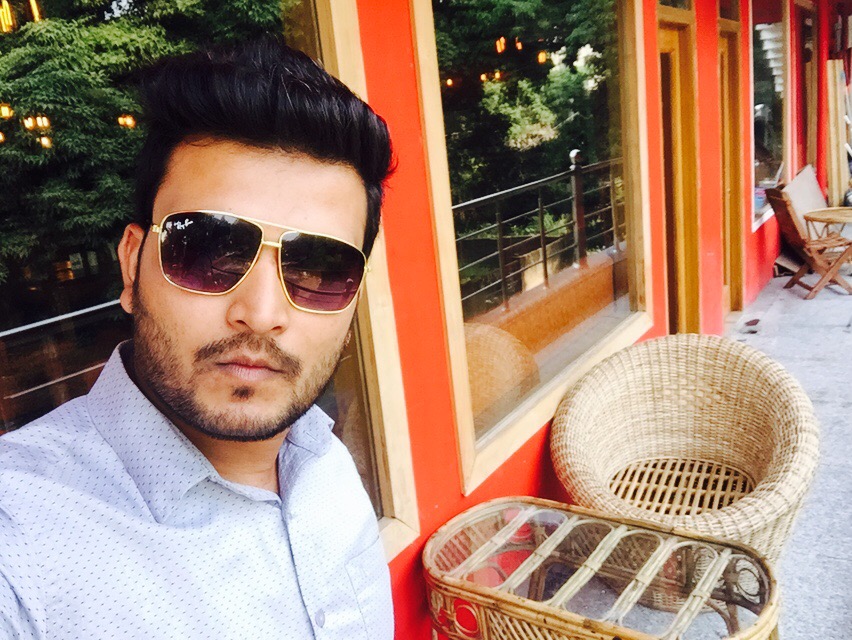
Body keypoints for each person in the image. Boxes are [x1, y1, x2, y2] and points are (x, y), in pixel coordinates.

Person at [0, 35, 394, 639]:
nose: (261, 313)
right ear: (131, 266)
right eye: (208, 250)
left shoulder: (325, 462)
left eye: (319, 269)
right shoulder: (21, 545)